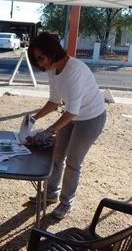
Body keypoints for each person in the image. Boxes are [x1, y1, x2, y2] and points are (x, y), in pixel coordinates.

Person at [26, 32, 106, 220]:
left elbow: (72, 112)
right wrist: (34, 118)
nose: (40, 64)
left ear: (51, 51)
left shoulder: (74, 70)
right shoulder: (52, 69)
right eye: (36, 61)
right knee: (57, 155)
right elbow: (54, 101)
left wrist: (49, 131)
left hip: (91, 117)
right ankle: (51, 193)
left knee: (73, 162)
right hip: (73, 114)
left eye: (41, 58)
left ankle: (66, 202)